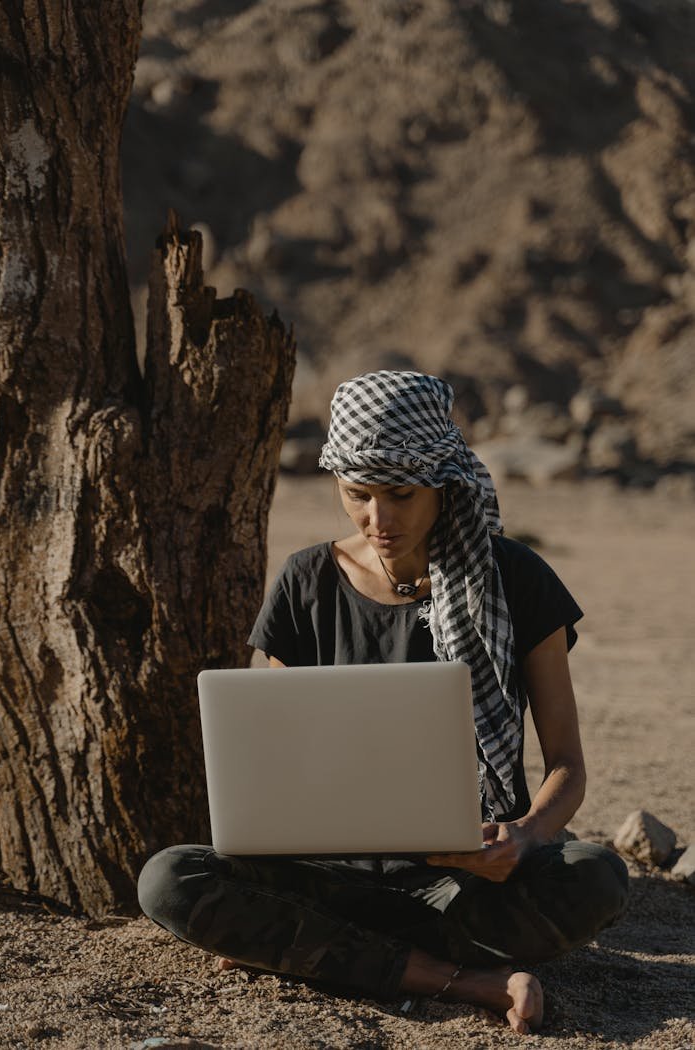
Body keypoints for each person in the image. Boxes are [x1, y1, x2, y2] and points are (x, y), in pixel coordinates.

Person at [138, 370, 628, 1035]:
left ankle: (315, 950)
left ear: (443, 479)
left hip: (467, 885)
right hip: (329, 877)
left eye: (400, 494)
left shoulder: (518, 579)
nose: (379, 519)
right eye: (356, 494)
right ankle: (460, 978)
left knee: (595, 874)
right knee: (168, 878)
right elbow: (285, 768)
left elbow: (567, 764)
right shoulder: (306, 582)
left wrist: (525, 836)